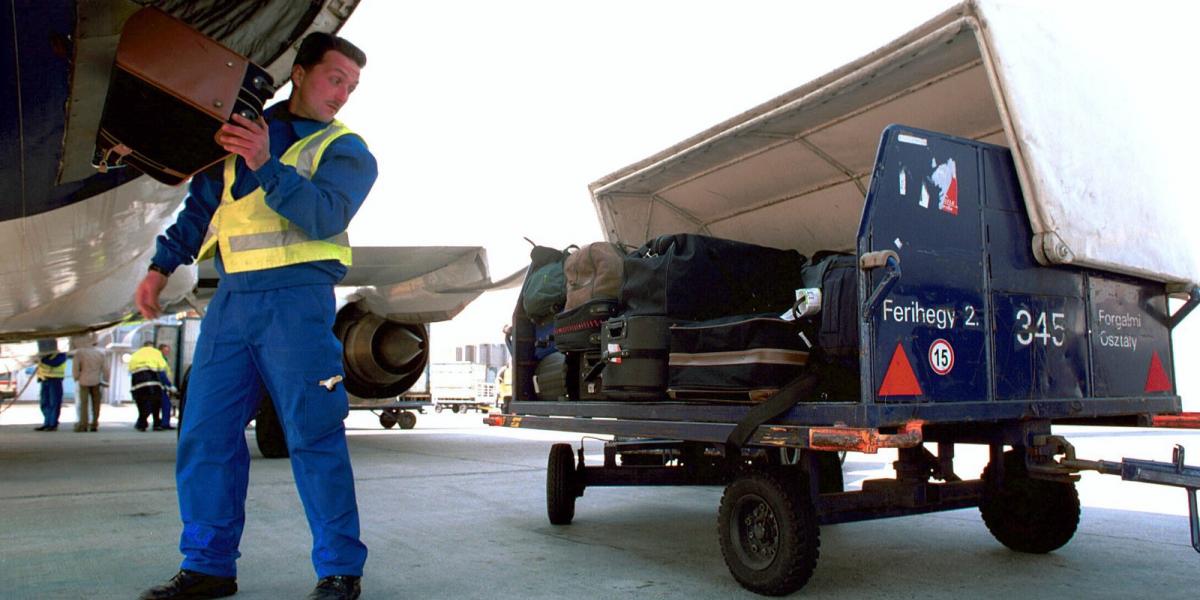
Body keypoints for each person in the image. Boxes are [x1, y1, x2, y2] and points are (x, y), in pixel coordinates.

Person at [133, 32, 375, 600]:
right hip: (232, 305)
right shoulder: (238, 137)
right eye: (335, 78)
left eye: (353, 86)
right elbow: (202, 208)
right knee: (204, 435)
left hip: (298, 302)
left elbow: (322, 216)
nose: (343, 94)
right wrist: (160, 267)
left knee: (314, 434)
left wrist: (266, 162)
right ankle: (209, 566)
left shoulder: (347, 149)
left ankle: (340, 571)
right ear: (301, 72)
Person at [129, 341, 169, 431]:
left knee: (141, 403)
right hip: (153, 380)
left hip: (138, 381)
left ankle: (142, 424)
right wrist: (168, 383)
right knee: (155, 403)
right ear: (152, 347)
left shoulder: (136, 354)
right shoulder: (156, 352)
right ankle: (156, 424)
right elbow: (162, 367)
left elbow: (130, 368)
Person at [72, 335, 106, 432]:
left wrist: (76, 377)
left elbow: (75, 367)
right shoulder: (101, 353)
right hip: (96, 381)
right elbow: (106, 369)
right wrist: (106, 381)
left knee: (84, 403)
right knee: (96, 404)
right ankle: (94, 424)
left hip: (83, 381)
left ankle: (83, 424)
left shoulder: (80, 353)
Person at [33, 350, 67, 431]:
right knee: (44, 403)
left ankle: (52, 424)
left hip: (55, 380)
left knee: (54, 403)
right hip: (44, 379)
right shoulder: (44, 354)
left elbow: (55, 363)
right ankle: (47, 423)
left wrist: (41, 359)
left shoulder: (61, 354)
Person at [157, 344, 175, 430]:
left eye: (168, 350)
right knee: (166, 405)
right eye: (165, 350)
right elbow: (162, 374)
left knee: (161, 405)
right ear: (160, 350)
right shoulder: (160, 359)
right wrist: (169, 385)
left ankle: (161, 423)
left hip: (161, 386)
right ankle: (164, 423)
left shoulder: (163, 359)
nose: (167, 352)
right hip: (161, 386)